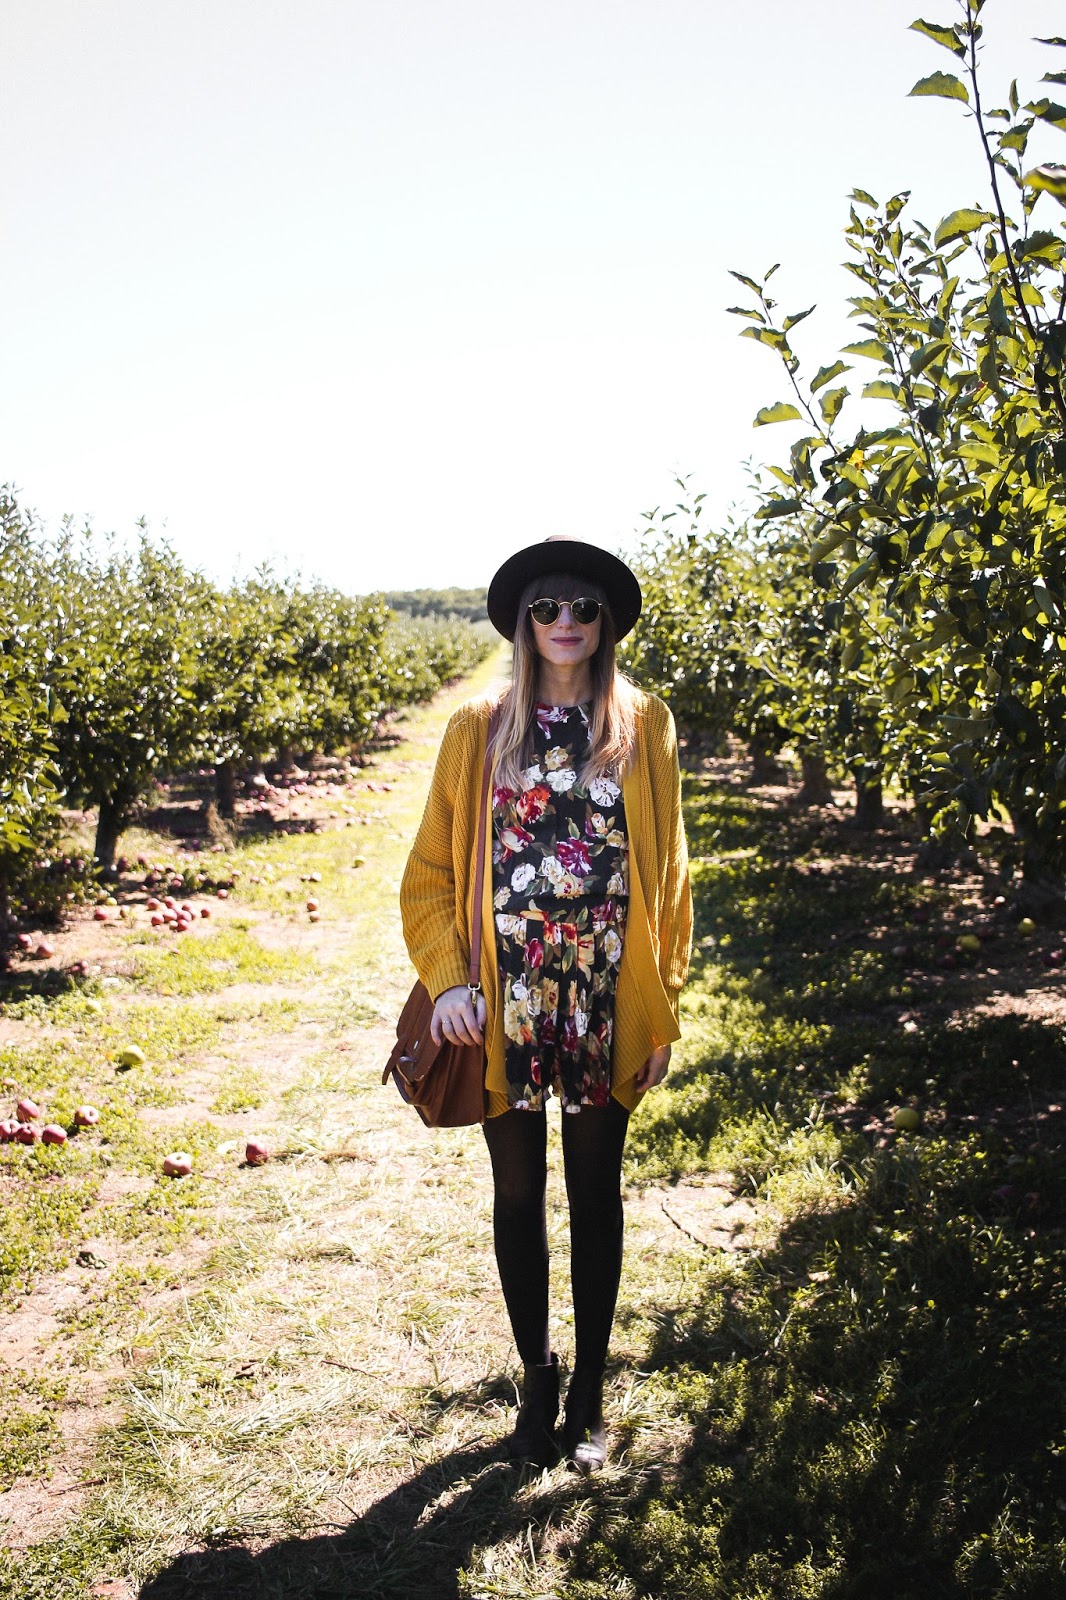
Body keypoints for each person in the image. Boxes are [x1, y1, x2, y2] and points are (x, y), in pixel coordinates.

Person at [400, 536, 692, 1472]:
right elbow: (435, 869)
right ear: (525, 623)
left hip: (606, 988)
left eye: (584, 609)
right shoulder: (477, 729)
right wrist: (449, 979)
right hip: (508, 992)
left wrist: (665, 1004)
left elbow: (672, 876)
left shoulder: (641, 724)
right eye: (547, 609)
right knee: (518, 1191)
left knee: (595, 1192)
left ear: (605, 624)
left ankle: (593, 1400)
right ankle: (538, 1380)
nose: (566, 623)